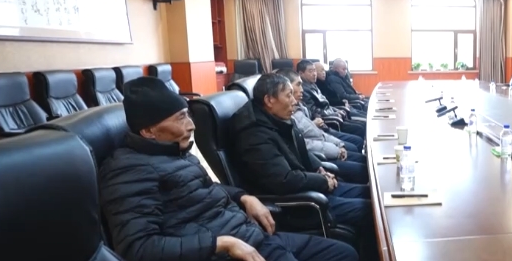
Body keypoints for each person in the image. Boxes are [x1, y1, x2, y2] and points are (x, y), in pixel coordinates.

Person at [98, 76, 357, 261]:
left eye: (188, 115)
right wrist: (221, 243)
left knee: (344, 253)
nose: (191, 125)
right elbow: (138, 248)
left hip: (252, 235)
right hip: (227, 252)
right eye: (180, 118)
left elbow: (207, 189)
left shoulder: (175, 152)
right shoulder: (126, 172)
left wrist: (244, 197)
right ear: (148, 131)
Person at [229, 73, 375, 254]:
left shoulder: (275, 119)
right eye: (288, 95)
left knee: (371, 194)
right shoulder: (254, 135)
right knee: (371, 210)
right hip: (300, 203)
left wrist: (318, 168)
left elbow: (300, 150)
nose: (294, 101)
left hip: (309, 184)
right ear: (269, 100)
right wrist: (322, 181)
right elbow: (284, 180)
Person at [287, 69, 368, 184]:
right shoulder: (288, 117)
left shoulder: (301, 104)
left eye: (316, 70)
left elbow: (318, 128)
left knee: (363, 158)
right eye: (298, 85)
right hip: (321, 157)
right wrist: (336, 150)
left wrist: (339, 144)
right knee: (362, 167)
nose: (302, 89)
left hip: (324, 134)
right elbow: (307, 144)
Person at [295, 61, 367, 139]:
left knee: (362, 125)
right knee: (360, 129)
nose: (314, 74)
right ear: (301, 73)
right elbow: (314, 112)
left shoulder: (313, 85)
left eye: (314, 70)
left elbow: (327, 104)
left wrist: (336, 110)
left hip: (334, 115)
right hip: (328, 122)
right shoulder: (304, 91)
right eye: (310, 71)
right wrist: (334, 113)